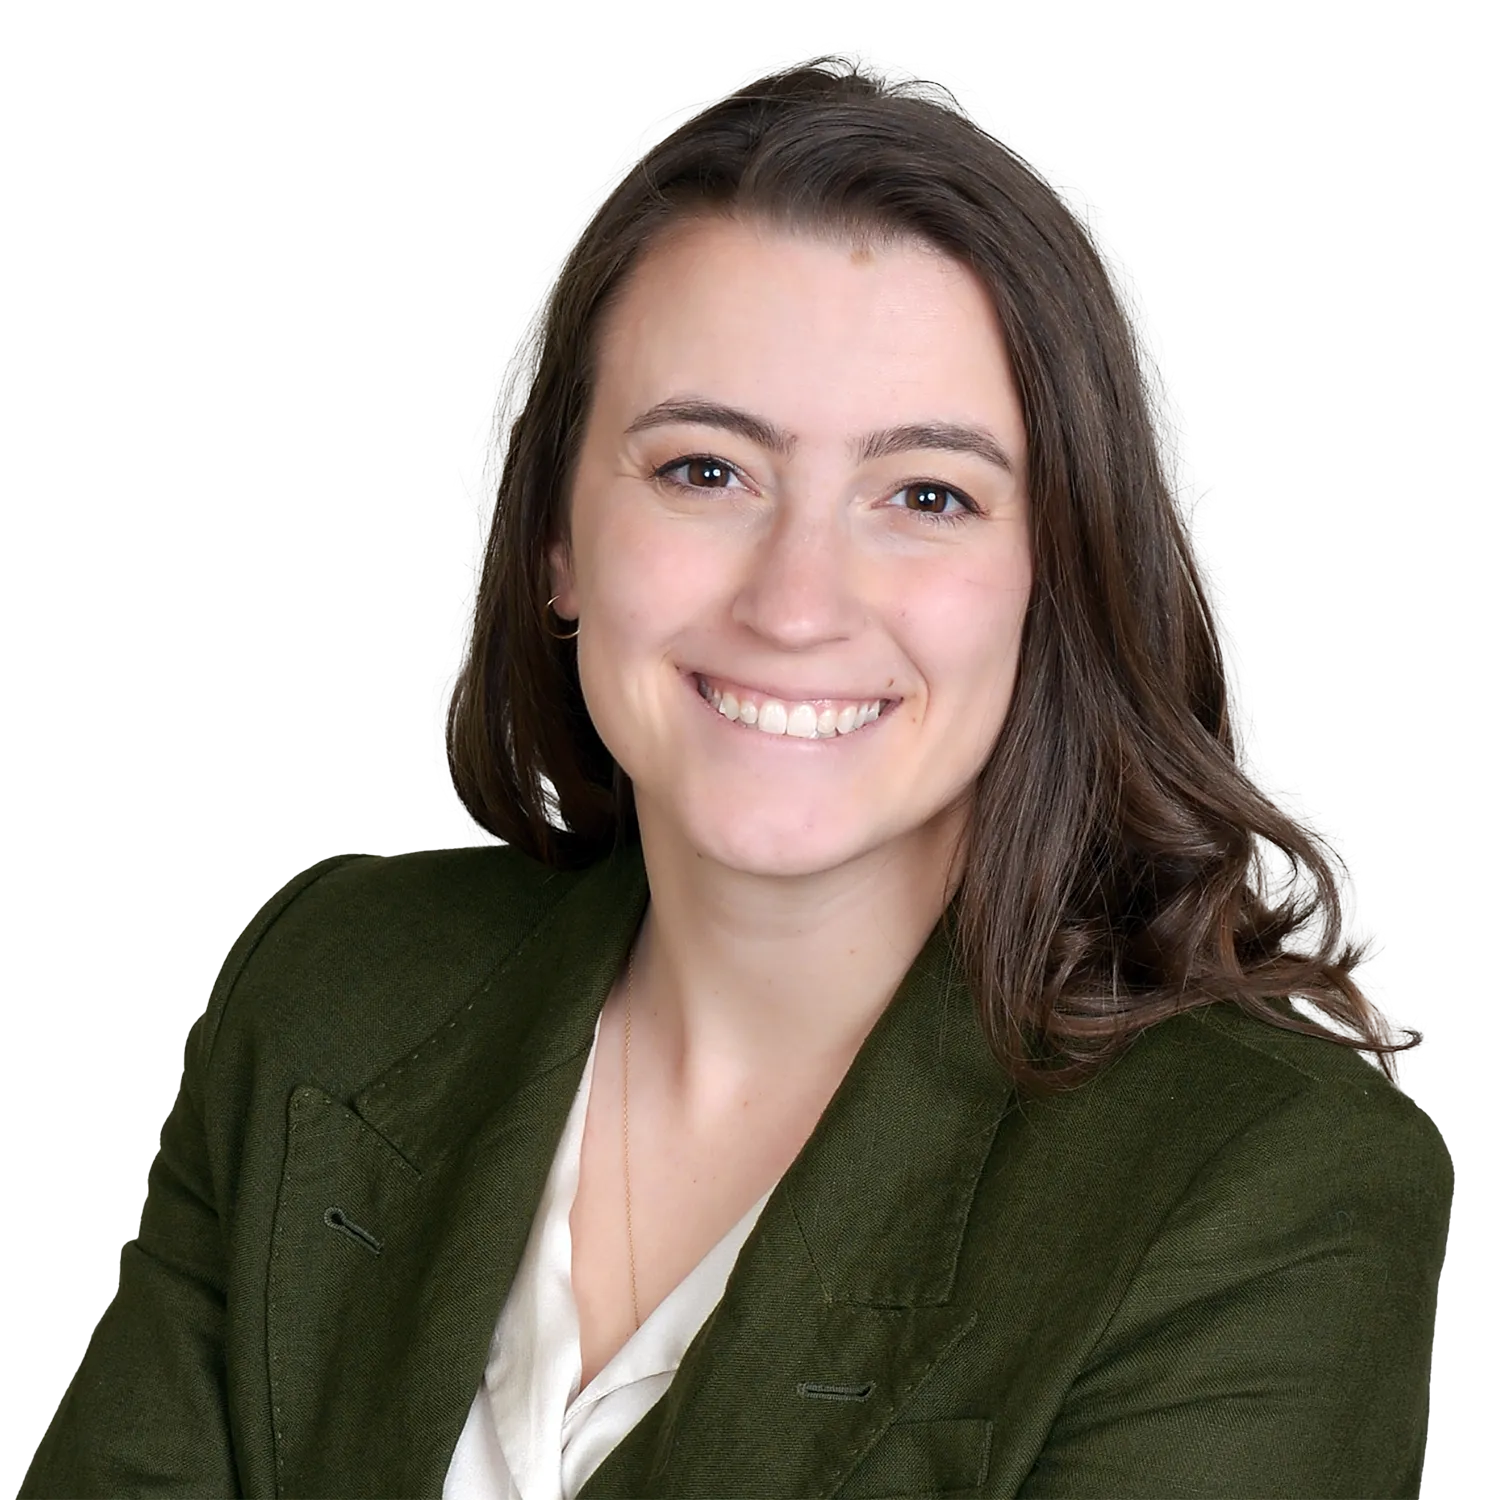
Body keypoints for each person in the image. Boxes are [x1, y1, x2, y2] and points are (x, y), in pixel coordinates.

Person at [20, 55, 1450, 1500]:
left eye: (927, 496)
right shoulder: (327, 990)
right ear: (556, 538)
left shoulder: (1267, 1185)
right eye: (706, 469)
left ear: (1051, 585)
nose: (796, 601)